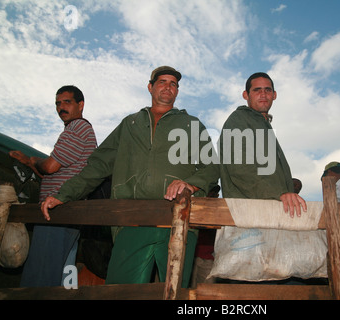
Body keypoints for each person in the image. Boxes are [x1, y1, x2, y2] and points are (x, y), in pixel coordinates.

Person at [41, 66, 219, 288]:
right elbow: (97, 164)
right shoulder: (130, 124)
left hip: (178, 219)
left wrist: (191, 184)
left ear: (177, 91)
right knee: (121, 291)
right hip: (132, 220)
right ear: (150, 87)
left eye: (173, 84)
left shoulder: (191, 125)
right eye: (162, 82)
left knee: (174, 293)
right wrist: (64, 194)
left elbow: (212, 166)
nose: (168, 87)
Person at [9, 85, 97, 287]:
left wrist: (32, 160)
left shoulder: (78, 127)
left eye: (67, 102)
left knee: (41, 277)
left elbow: (49, 166)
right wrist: (30, 163)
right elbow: (51, 171)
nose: (61, 107)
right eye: (58, 103)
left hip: (56, 213)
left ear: (81, 105)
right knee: (61, 277)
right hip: (67, 214)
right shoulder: (75, 130)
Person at [218, 72, 306, 216]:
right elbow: (239, 168)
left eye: (267, 90)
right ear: (246, 95)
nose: (263, 94)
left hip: (273, 211)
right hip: (247, 214)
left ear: (274, 95)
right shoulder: (239, 119)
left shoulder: (264, 126)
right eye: (257, 90)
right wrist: (278, 193)